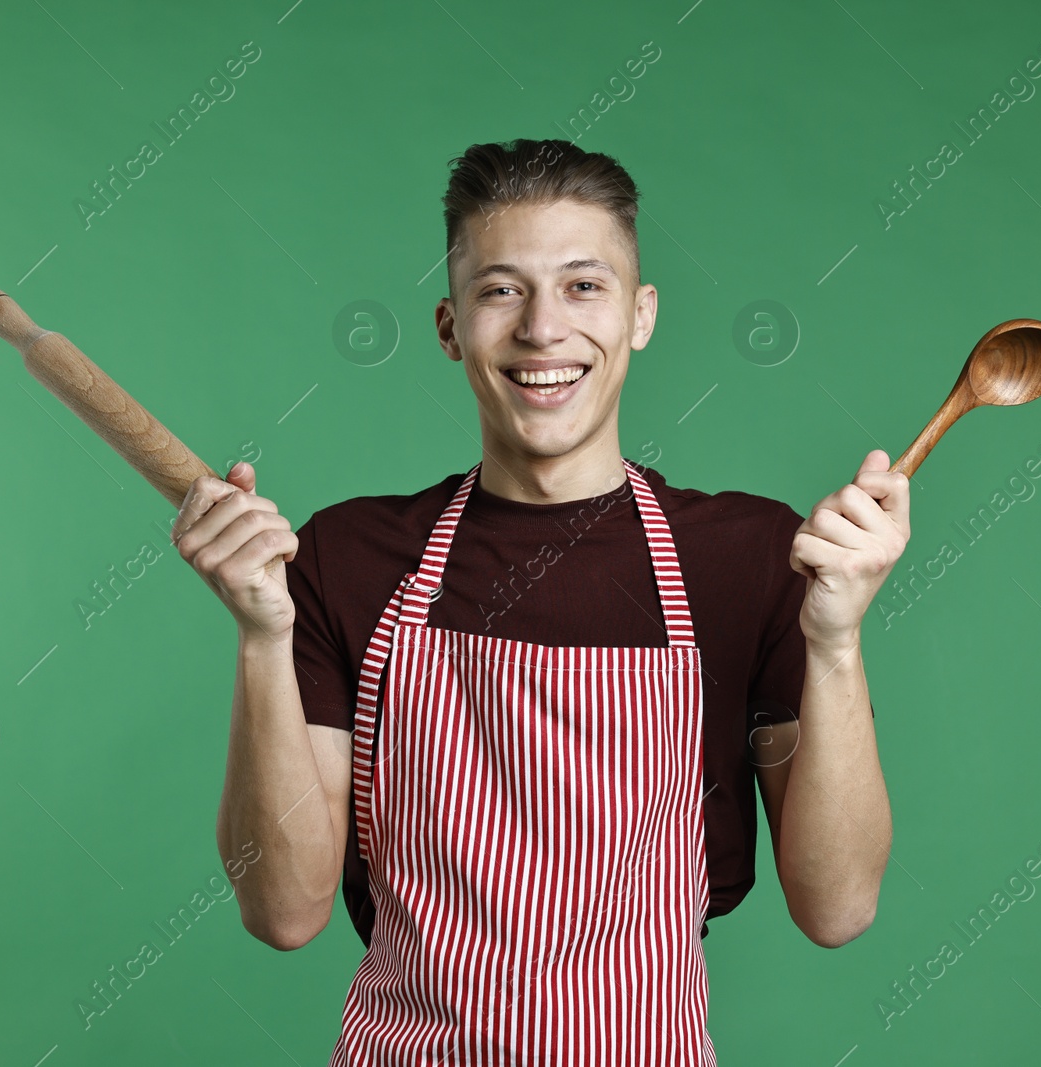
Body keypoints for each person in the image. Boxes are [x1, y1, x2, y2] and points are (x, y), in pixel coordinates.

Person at [170, 137, 909, 1064]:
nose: (543, 329)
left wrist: (835, 642)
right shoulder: (349, 558)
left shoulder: (748, 559)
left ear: (641, 315)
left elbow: (837, 907)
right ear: (449, 327)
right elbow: (283, 910)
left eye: (584, 286)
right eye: (501, 289)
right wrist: (260, 636)